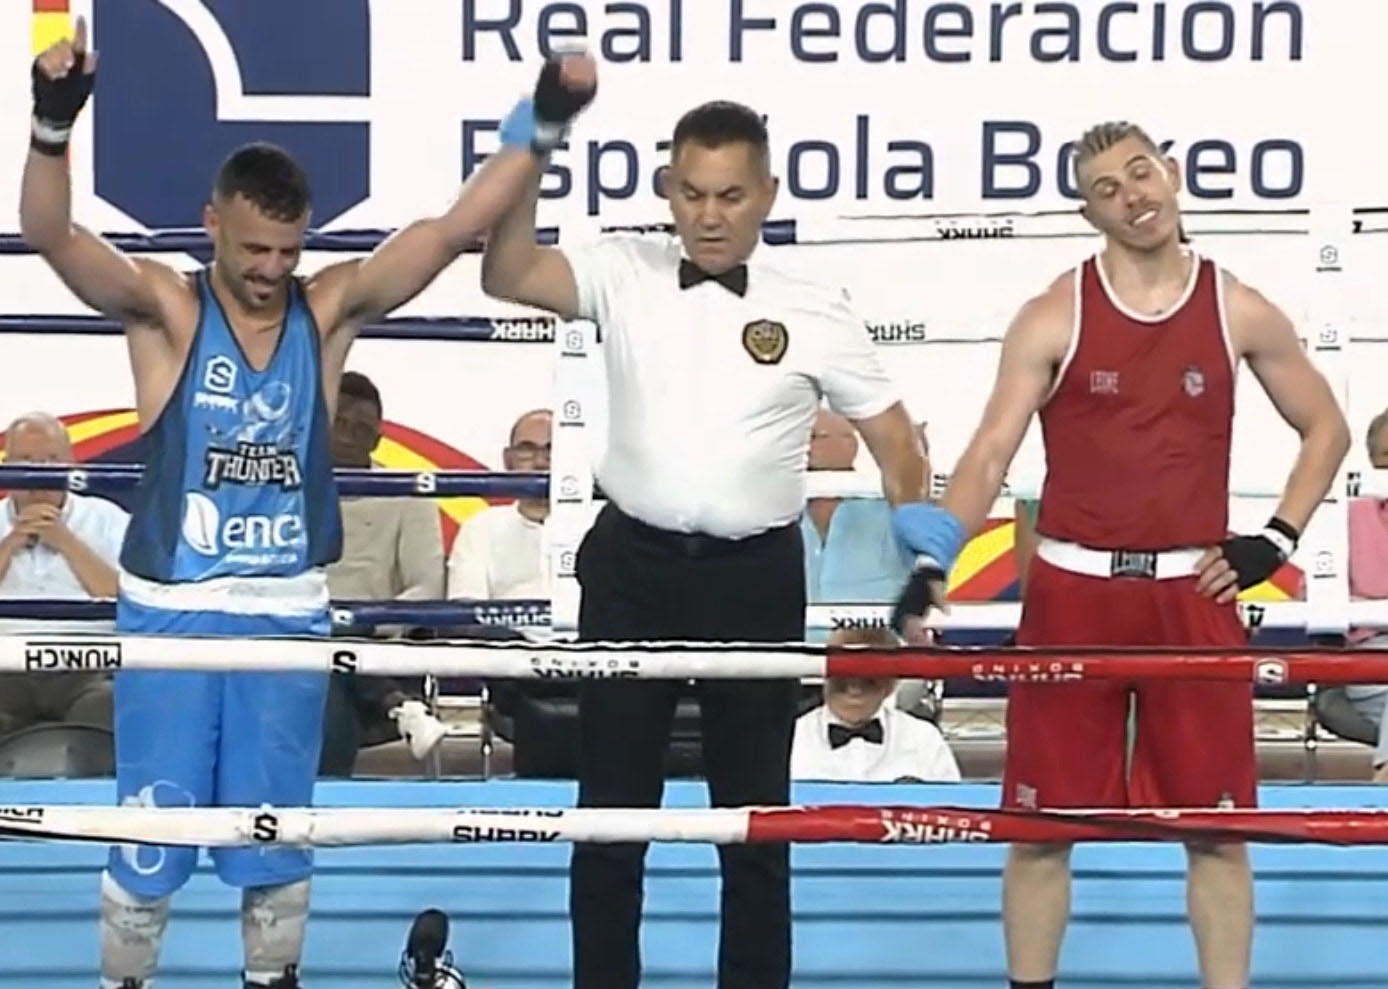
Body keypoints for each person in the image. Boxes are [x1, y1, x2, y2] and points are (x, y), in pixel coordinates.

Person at [20, 20, 596, 989]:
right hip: (171, 613)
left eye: (287, 249)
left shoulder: (325, 311)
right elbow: (52, 234)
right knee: (149, 835)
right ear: (211, 223)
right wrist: (51, 122)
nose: (270, 269)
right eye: (253, 247)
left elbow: (451, 229)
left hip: (285, 611)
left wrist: (542, 120)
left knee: (277, 834)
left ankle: (271, 979)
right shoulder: (168, 310)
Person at [479, 100, 930, 989]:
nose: (711, 215)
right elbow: (506, 271)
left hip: (754, 580)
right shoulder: (620, 268)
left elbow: (898, 445)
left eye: (731, 195)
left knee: (755, 821)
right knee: (609, 817)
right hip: (631, 569)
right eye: (692, 194)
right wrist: (536, 147)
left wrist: (923, 564)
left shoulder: (813, 308)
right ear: (667, 190)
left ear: (767, 194)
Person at [890, 120, 1350, 989]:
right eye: (1107, 188)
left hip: (1193, 591)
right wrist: (932, 561)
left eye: (1141, 173)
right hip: (1073, 589)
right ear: (1089, 212)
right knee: (1041, 828)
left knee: (1218, 830)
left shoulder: (1238, 306)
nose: (1133, 195)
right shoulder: (1053, 313)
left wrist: (1277, 536)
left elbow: (1325, 424)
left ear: (1171, 172)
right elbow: (990, 451)